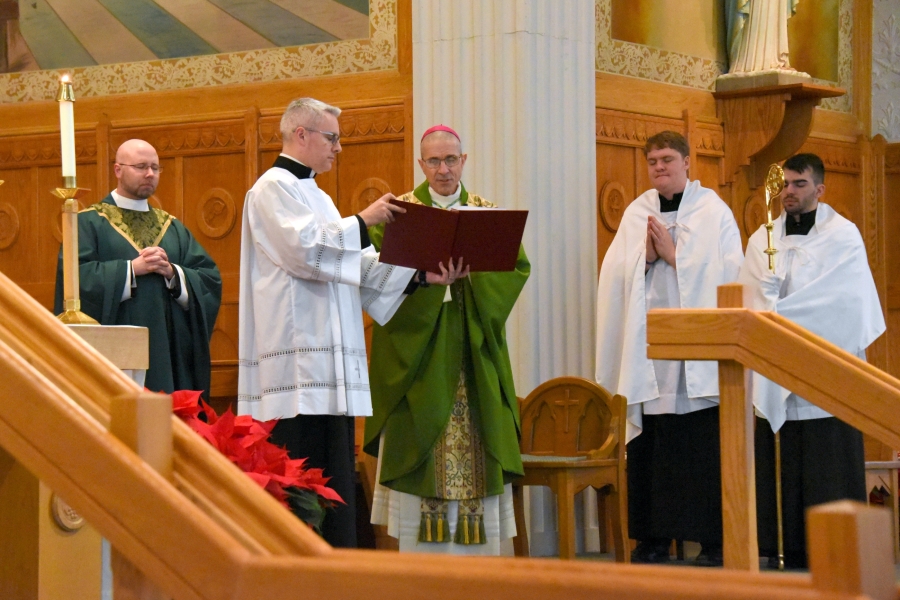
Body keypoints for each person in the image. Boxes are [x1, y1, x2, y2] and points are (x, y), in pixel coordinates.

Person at [238, 99, 459, 548]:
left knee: (333, 479)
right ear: (301, 135)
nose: (339, 147)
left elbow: (349, 265)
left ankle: (335, 573)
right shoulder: (270, 189)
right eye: (332, 137)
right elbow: (306, 252)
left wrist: (419, 274)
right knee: (299, 483)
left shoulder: (316, 195)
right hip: (297, 369)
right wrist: (363, 220)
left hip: (328, 372)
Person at [363, 125, 530, 555]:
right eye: (434, 161)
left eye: (450, 160)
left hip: (472, 351)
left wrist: (475, 275)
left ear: (464, 161)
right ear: (421, 164)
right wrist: (427, 281)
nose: (443, 169)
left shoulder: (487, 213)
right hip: (419, 355)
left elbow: (515, 270)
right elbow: (374, 283)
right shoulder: (399, 214)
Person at [595, 131, 743, 566]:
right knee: (652, 449)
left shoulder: (714, 212)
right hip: (650, 355)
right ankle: (652, 538)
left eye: (667, 159)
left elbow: (731, 273)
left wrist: (677, 256)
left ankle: (712, 542)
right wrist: (644, 257)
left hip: (696, 355)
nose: (659, 167)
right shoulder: (636, 212)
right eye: (652, 161)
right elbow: (614, 276)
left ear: (687, 161)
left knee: (699, 448)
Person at [738, 153, 885, 569]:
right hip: (776, 367)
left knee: (827, 460)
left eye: (799, 184)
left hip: (826, 371)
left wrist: (781, 312)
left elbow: (844, 300)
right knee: (780, 459)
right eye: (784, 184)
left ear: (819, 190)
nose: (789, 191)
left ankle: (835, 548)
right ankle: (781, 544)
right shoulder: (761, 240)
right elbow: (749, 299)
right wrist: (770, 305)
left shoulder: (843, 236)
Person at [54, 139, 221, 396]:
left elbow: (209, 279)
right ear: (118, 170)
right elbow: (75, 282)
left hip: (166, 349)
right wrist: (130, 270)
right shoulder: (88, 223)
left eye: (155, 167)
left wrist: (173, 273)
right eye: (141, 166)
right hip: (113, 357)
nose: (150, 174)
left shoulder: (173, 227)